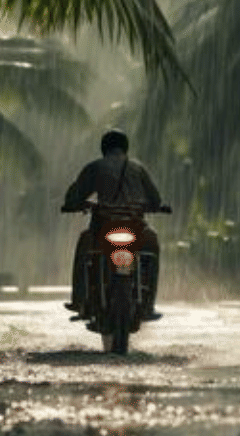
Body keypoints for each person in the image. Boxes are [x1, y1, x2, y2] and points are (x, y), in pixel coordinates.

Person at [62, 129, 165, 320]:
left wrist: (73, 205)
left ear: (103, 149)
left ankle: (80, 299)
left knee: (84, 245)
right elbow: (156, 199)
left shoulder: (95, 167)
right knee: (153, 247)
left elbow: (74, 196)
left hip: (103, 227)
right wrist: (155, 207)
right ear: (126, 148)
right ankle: (149, 303)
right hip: (136, 228)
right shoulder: (138, 168)